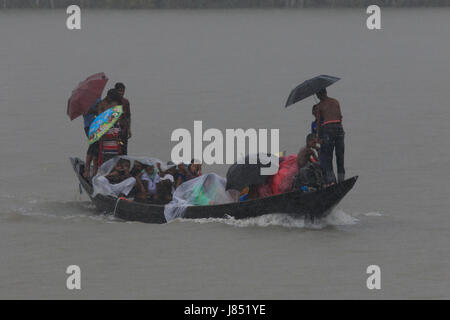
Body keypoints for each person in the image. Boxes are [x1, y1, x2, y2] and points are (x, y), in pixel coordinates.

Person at [83, 89, 122, 178]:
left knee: (97, 150)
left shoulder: (99, 100)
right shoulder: (87, 101)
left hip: (102, 127)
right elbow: (87, 112)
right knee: (93, 146)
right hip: (90, 126)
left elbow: (105, 114)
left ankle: (95, 171)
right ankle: (87, 169)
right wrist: (95, 110)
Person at [314, 88, 345, 184]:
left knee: (328, 156)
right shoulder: (335, 101)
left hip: (328, 129)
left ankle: (331, 180)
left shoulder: (319, 106)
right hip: (339, 128)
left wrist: (319, 137)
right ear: (326, 92)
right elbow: (340, 117)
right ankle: (341, 178)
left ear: (318, 95)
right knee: (340, 155)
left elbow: (319, 123)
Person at [114, 83, 131, 155]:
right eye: (120, 91)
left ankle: (124, 165)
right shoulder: (111, 102)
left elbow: (128, 116)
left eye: (123, 91)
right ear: (116, 91)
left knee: (124, 149)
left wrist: (129, 129)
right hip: (114, 131)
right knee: (115, 149)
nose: (121, 93)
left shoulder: (126, 102)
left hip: (124, 129)